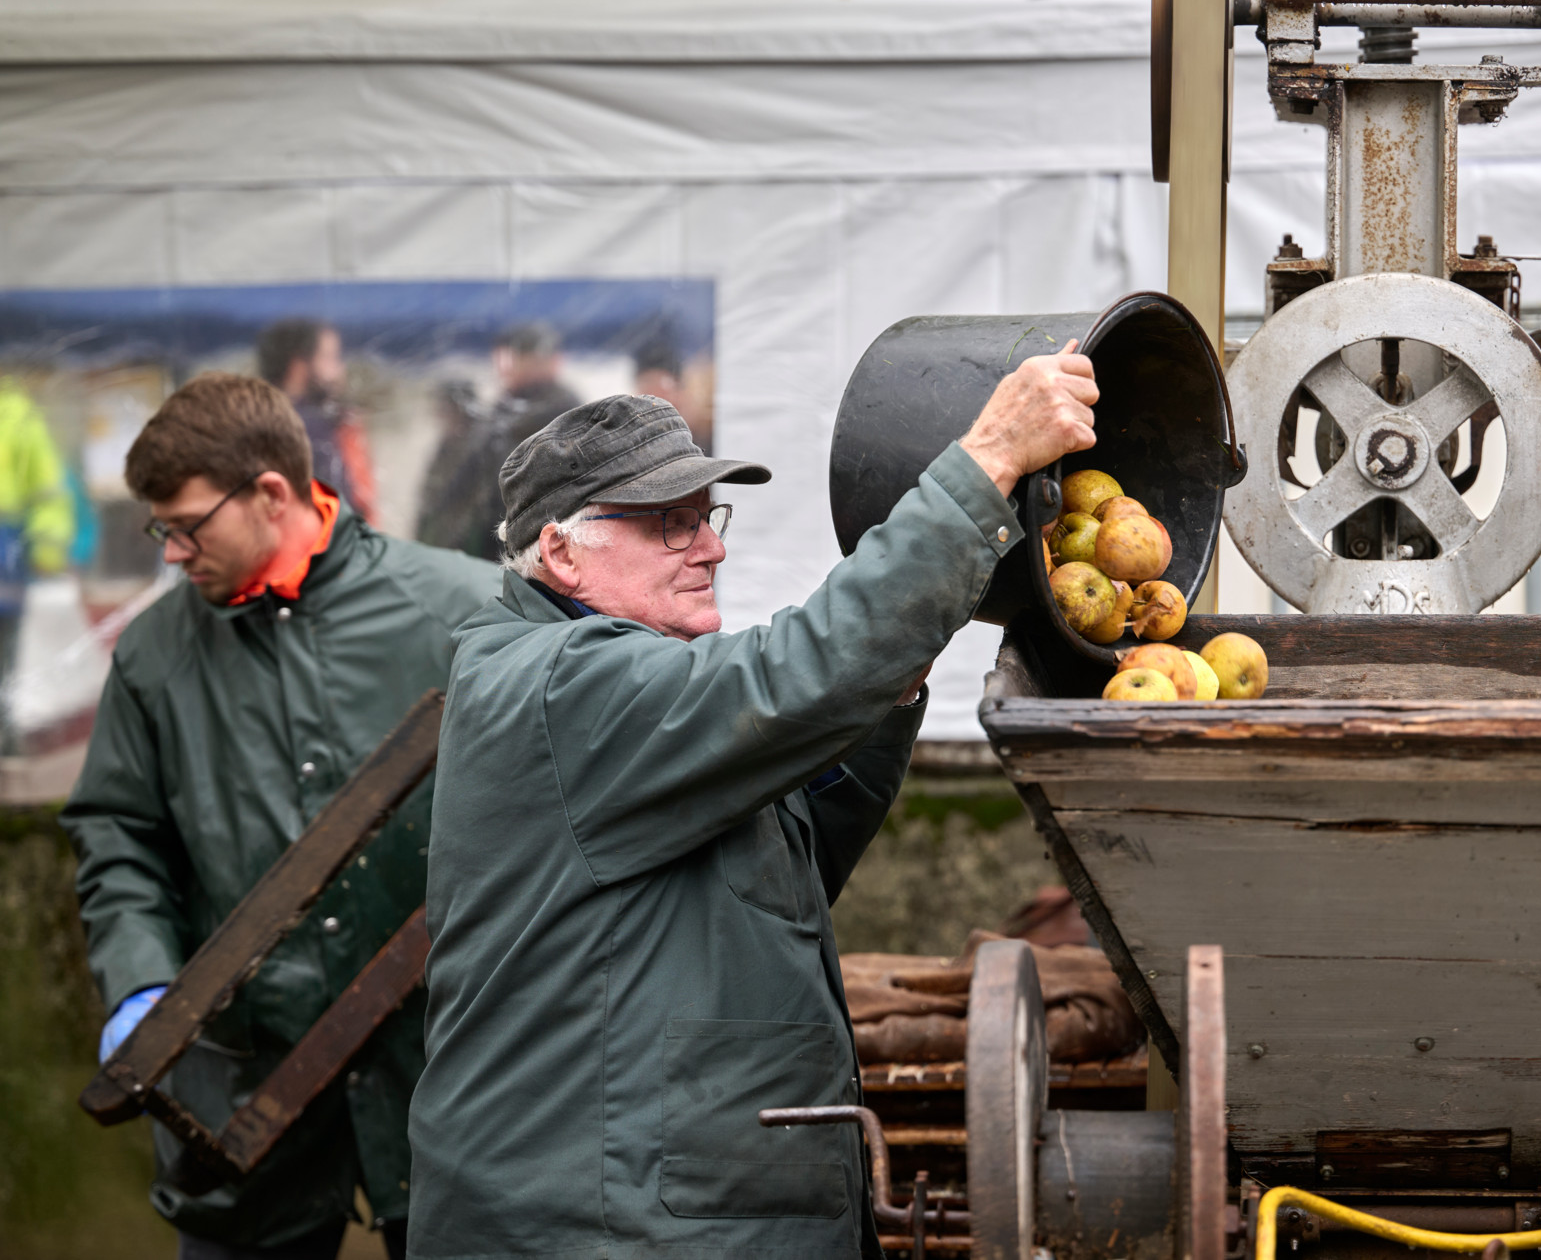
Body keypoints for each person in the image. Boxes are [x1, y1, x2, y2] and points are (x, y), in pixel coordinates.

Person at [407, 345, 1097, 1259]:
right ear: (561, 550)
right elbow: (792, 676)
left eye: (706, 515)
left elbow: (788, 868)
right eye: (667, 523)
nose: (713, 546)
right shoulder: (558, 683)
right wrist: (989, 462)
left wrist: (885, 678)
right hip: (595, 1230)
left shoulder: (641, 700)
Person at [61, 374, 501, 1260]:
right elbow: (121, 838)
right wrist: (142, 984)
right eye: (161, 530)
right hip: (246, 1079)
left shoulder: (462, 612)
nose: (172, 553)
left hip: (444, 1066)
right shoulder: (154, 657)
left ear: (271, 492)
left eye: (186, 526)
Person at [431, 323, 580, 560]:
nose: (503, 368)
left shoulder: (564, 414)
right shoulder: (502, 412)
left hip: (537, 549)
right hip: (498, 545)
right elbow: (464, 489)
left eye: (515, 358)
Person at [0, 377, 75, 752]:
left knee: (4, 656)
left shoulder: (17, 414)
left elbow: (48, 493)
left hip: (5, 551)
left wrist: (46, 553)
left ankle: (5, 743)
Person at [254, 318, 380, 526]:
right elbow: (340, 512)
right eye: (330, 358)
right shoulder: (305, 426)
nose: (340, 371)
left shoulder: (261, 417)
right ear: (299, 366)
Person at [412, 380, 479, 551]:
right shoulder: (445, 448)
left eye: (444, 409)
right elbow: (429, 502)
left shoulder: (475, 451)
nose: (438, 415)